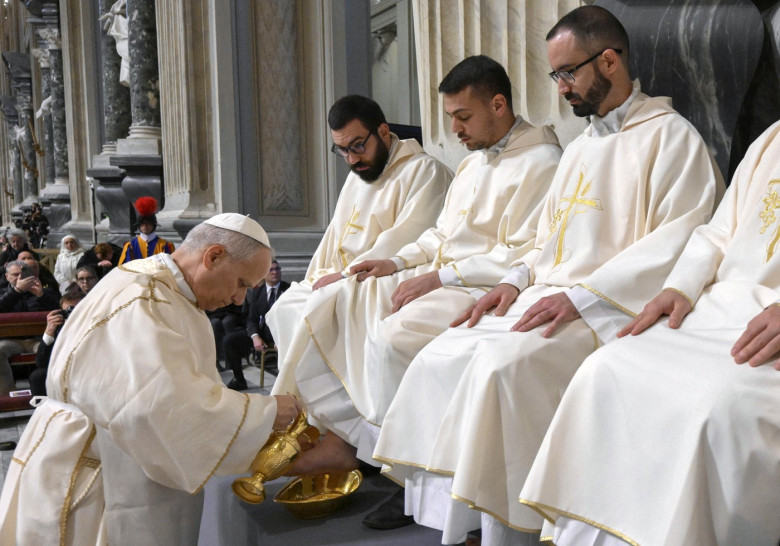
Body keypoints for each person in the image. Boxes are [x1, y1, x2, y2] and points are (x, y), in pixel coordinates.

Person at [371, 6, 724, 544]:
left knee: (497, 366)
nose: (560, 89)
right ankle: (471, 522)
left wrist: (583, 297)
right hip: (544, 292)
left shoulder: (671, 138)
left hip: (607, 306)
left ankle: (515, 527)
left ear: (608, 60)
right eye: (555, 75)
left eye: (567, 73)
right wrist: (512, 281)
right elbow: (545, 239)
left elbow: (682, 235)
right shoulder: (580, 148)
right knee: (443, 353)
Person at [280, 55, 563, 527]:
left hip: (487, 285)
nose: (454, 129)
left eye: (463, 116)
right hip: (449, 277)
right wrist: (396, 261)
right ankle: (393, 463)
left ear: (498, 104)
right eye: (450, 116)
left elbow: (523, 251)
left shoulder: (542, 162)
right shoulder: (473, 165)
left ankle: (409, 475)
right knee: (376, 319)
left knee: (393, 338)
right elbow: (441, 237)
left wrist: (439, 277)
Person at [518, 120, 780, 546]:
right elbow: (718, 232)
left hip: (770, 324)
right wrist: (678, 286)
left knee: (718, 406)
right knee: (604, 368)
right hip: (721, 306)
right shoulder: (773, 137)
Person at [0, 213, 301, 545]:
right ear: (213, 256)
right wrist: (268, 413)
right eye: (242, 283)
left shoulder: (159, 288)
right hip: (97, 477)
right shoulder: (144, 299)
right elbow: (159, 407)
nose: (239, 299)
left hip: (106, 456)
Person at [265, 94, 453, 375]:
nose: (352, 159)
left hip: (384, 273)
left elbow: (405, 239)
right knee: (285, 306)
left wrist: (342, 276)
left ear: (383, 132)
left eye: (358, 146)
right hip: (345, 274)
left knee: (317, 309)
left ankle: (343, 412)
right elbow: (334, 237)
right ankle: (306, 411)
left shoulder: (425, 171)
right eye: (342, 150)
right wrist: (316, 277)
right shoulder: (356, 177)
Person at [223, 260, 290, 390]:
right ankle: (239, 379)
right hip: (264, 333)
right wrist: (255, 336)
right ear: (264, 274)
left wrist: (282, 337)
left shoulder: (289, 289)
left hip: (284, 333)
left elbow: (292, 317)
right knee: (229, 341)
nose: (275, 272)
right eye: (271, 270)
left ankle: (289, 384)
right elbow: (252, 319)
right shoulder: (258, 292)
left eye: (277, 269)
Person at [0, 260, 60, 396]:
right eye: (15, 275)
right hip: (10, 340)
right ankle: (6, 395)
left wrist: (41, 295)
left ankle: (50, 391)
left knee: (54, 350)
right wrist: (17, 291)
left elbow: (59, 309)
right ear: (6, 277)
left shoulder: (45, 290)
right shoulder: (2, 292)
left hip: (39, 338)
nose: (19, 278)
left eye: (23, 274)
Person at [29, 291, 86, 396]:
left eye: (78, 310)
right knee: (38, 376)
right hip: (63, 369)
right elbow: (41, 363)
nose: (73, 315)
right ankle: (44, 410)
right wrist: (49, 332)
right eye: (69, 310)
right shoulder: (57, 326)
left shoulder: (95, 325)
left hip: (87, 368)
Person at [118, 196, 175, 264]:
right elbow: (125, 267)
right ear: (139, 225)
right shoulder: (131, 245)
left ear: (153, 225)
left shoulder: (164, 245)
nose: (145, 225)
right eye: (142, 223)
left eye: (148, 223)